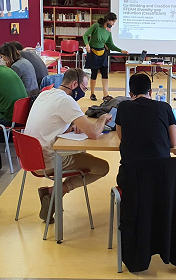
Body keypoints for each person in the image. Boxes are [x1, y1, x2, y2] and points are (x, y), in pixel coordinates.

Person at [24, 68, 111, 221]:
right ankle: (56, 191)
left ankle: (53, 193)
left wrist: (70, 124)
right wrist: (102, 118)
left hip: (30, 157)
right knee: (103, 167)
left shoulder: (46, 93)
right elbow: (94, 133)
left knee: (80, 155)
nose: (83, 92)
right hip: (49, 161)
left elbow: (52, 120)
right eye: (83, 88)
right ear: (74, 84)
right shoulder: (66, 101)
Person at [116, 73, 176, 164]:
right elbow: (174, 143)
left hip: (131, 170)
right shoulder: (165, 107)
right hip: (162, 170)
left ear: (130, 94)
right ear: (150, 92)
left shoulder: (123, 106)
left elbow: (122, 137)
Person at [82, 12, 129, 101]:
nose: (113, 24)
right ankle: (92, 94)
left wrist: (121, 50)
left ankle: (105, 94)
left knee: (105, 74)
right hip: (93, 52)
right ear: (108, 20)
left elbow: (110, 45)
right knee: (94, 74)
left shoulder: (108, 32)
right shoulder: (96, 26)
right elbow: (85, 35)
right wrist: (87, 44)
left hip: (102, 53)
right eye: (113, 21)